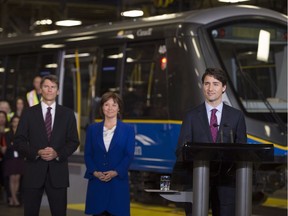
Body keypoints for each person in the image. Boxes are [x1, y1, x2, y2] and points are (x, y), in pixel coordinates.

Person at [174, 68, 247, 216]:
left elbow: (242, 151)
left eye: (215, 84)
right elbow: (181, 149)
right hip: (197, 181)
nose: (210, 88)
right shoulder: (191, 116)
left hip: (226, 184)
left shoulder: (236, 116)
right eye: (206, 84)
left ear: (224, 88)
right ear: (202, 87)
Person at [14, 74, 80, 216]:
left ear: (58, 91)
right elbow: (19, 140)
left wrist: (58, 153)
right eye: (46, 86)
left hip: (58, 174)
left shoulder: (68, 114)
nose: (49, 90)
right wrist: (36, 152)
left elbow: (74, 141)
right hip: (33, 172)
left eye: (53, 87)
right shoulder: (28, 113)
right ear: (40, 90)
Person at [84, 92, 135, 216]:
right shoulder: (92, 129)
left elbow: (129, 155)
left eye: (114, 105)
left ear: (119, 108)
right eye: (106, 105)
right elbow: (88, 154)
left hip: (118, 183)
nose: (110, 108)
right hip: (97, 182)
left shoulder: (128, 130)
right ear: (102, 107)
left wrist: (115, 172)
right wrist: (95, 172)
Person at [3, 115, 24, 207]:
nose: (16, 123)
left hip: (19, 158)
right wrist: (15, 145)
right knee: (12, 178)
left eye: (18, 121)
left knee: (17, 178)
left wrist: (13, 144)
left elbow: (23, 146)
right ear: (12, 123)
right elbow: (8, 146)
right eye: (14, 121)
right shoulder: (7, 134)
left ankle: (13, 198)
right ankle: (14, 199)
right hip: (10, 158)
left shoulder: (22, 133)